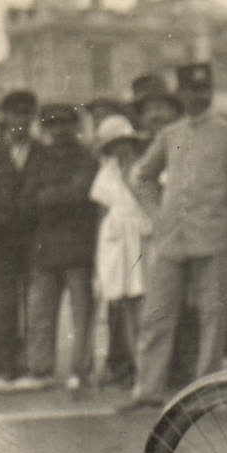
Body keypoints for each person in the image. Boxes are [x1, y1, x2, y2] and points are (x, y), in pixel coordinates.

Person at [126, 62, 227, 408]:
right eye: (190, 90)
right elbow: (142, 176)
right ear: (180, 94)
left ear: (210, 92)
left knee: (214, 316)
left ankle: (206, 389)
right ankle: (147, 388)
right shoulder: (171, 135)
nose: (197, 96)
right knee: (156, 312)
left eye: (203, 89)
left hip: (215, 236)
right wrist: (157, 214)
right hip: (172, 239)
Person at [19, 104, 101, 390]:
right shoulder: (39, 159)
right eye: (52, 125)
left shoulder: (87, 158)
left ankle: (81, 370)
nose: (59, 130)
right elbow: (28, 199)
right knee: (42, 312)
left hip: (78, 246)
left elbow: (84, 192)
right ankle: (41, 369)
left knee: (82, 313)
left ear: (75, 126)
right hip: (46, 248)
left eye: (65, 124)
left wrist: (49, 197)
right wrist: (61, 196)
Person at [0, 90, 41, 392]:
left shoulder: (42, 152)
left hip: (34, 241)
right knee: (3, 306)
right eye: (15, 115)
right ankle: (4, 369)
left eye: (26, 115)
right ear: (5, 117)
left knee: (33, 304)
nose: (20, 122)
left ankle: (29, 366)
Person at [89, 114, 154, 388]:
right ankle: (138, 368)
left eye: (125, 142)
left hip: (143, 236)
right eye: (114, 145)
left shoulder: (144, 167)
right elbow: (102, 214)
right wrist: (99, 258)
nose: (121, 149)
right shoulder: (106, 174)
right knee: (124, 302)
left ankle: (150, 368)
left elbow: (153, 201)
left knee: (146, 302)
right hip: (116, 242)